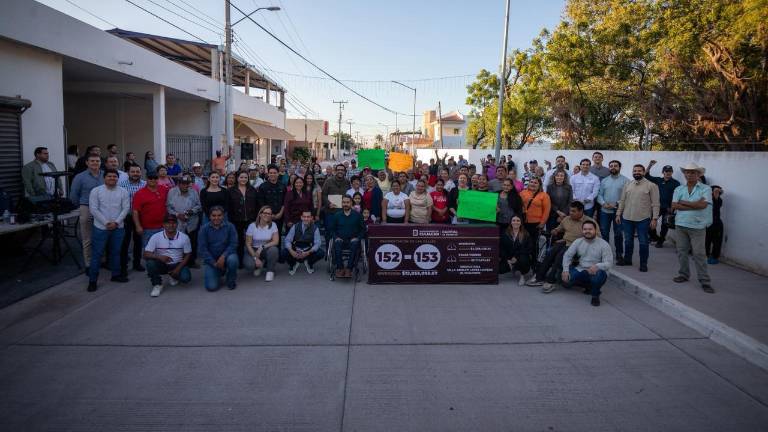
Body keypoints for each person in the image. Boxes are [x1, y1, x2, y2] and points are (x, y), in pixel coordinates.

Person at [528, 201, 598, 291]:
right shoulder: (567, 219)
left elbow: (597, 237)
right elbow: (560, 228)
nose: (570, 213)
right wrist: (556, 230)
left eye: (573, 211)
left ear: (581, 211)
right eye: (570, 211)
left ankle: (551, 281)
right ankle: (539, 277)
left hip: (579, 246)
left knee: (560, 256)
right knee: (550, 253)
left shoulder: (590, 222)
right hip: (565, 242)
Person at [672, 163, 714, 293]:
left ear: (698, 174)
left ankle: (705, 281)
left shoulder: (705, 189)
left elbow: (703, 205)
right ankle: (684, 274)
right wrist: (693, 205)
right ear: (684, 174)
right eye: (687, 172)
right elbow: (674, 205)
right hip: (681, 224)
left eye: (692, 172)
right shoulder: (679, 189)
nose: (689, 174)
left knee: (699, 254)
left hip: (698, 225)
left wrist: (683, 202)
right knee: (681, 251)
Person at [86, 169, 130, 292]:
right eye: (109, 176)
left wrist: (116, 222)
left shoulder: (123, 191)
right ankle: (93, 281)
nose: (112, 178)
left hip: (118, 227)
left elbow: (126, 208)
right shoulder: (96, 191)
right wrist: (106, 222)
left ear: (118, 178)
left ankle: (115, 275)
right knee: (97, 254)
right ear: (104, 178)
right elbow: (93, 209)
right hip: (100, 227)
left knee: (116, 252)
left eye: (114, 176)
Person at [616, 164, 660, 272]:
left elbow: (655, 204)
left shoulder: (651, 185)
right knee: (628, 241)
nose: (637, 172)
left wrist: (654, 219)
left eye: (639, 171)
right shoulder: (628, 184)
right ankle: (627, 260)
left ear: (644, 172)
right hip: (627, 218)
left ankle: (643, 264)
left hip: (643, 219)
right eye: (635, 170)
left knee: (643, 242)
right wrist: (618, 214)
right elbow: (622, 201)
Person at [561, 220, 614, 307]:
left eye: (590, 229)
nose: (587, 231)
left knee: (598, 276)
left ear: (595, 230)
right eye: (585, 229)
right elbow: (567, 256)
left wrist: (597, 266)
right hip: (581, 269)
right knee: (566, 282)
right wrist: (565, 270)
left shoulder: (604, 244)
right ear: (582, 231)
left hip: (596, 271)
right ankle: (589, 286)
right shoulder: (578, 241)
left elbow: (609, 263)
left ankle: (595, 295)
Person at [144, 214, 192, 297]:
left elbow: (188, 254)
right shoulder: (156, 237)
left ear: (177, 224)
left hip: (177, 264)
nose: (171, 225)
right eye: (168, 223)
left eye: (173, 223)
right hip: (162, 264)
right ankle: (157, 284)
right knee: (150, 263)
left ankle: (173, 275)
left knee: (186, 278)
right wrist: (159, 257)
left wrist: (178, 269)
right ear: (163, 224)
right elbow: (145, 254)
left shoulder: (184, 237)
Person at [70, 153, 104, 270]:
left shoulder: (105, 175)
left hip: (103, 209)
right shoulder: (80, 177)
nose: (95, 163)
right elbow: (74, 195)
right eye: (92, 161)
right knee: (87, 238)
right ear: (87, 163)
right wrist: (80, 207)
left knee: (101, 236)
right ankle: (89, 264)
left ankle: (102, 260)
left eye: (97, 161)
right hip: (86, 208)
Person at [197, 206, 239, 291]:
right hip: (211, 259)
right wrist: (214, 263)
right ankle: (219, 271)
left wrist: (223, 256)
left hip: (226, 256)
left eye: (219, 215)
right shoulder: (204, 229)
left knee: (233, 259)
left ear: (223, 216)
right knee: (211, 287)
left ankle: (230, 279)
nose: (216, 218)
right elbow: (202, 249)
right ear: (209, 216)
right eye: (214, 215)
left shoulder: (230, 227)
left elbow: (233, 244)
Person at [597, 160, 629, 264]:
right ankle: (605, 254)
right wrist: (603, 203)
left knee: (618, 234)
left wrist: (616, 203)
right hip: (604, 211)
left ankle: (619, 254)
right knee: (604, 233)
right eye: (611, 166)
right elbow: (599, 194)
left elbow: (627, 196)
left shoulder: (626, 181)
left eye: (615, 166)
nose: (613, 167)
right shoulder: (604, 181)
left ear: (620, 167)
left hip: (618, 212)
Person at [167, 175, 202, 267]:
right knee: (178, 242)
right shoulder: (172, 192)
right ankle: (179, 262)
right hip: (177, 222)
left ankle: (191, 261)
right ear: (178, 184)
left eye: (187, 184)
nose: (185, 186)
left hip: (192, 222)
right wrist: (178, 214)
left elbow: (199, 206)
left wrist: (191, 211)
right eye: (183, 184)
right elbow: (168, 207)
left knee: (192, 242)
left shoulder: (194, 192)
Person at [645, 160, 681, 248]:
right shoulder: (658, 180)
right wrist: (650, 165)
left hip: (668, 208)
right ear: (663, 172)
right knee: (650, 224)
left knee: (665, 226)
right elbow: (646, 175)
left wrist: (673, 207)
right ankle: (655, 237)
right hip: (657, 206)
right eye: (666, 171)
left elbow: (678, 196)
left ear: (672, 172)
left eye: (670, 171)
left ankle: (660, 241)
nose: (668, 173)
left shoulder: (676, 183)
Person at [328, 195, 365, 278]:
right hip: (340, 239)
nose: (345, 204)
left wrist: (358, 238)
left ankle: (349, 269)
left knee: (355, 244)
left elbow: (363, 230)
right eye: (344, 202)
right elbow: (332, 230)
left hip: (353, 240)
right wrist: (336, 237)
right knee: (336, 243)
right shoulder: (337, 215)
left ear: (351, 203)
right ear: (341, 203)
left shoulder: (357, 215)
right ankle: (340, 268)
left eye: (347, 202)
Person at [118, 165, 146, 275]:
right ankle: (123, 266)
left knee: (138, 241)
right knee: (125, 242)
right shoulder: (121, 185)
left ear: (140, 173)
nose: (135, 174)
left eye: (137, 172)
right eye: (133, 171)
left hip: (140, 217)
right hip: (126, 217)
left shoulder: (145, 185)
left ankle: (137, 263)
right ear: (128, 173)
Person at [229, 171, 259, 267]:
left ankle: (255, 259)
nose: (243, 179)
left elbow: (257, 205)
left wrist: (256, 218)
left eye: (245, 177)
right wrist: (231, 219)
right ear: (237, 178)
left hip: (251, 219)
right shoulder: (231, 191)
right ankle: (240, 261)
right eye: (241, 177)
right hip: (236, 220)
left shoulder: (252, 190)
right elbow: (228, 206)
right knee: (239, 241)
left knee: (253, 241)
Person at [132, 171, 168, 249]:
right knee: (149, 251)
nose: (153, 180)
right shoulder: (139, 193)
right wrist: (138, 226)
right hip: (147, 229)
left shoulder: (164, 189)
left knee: (163, 250)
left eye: (155, 178)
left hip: (164, 227)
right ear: (146, 179)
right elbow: (135, 211)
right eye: (150, 178)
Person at [283, 210, 325, 275]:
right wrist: (292, 251)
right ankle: (293, 264)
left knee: (321, 253)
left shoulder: (315, 228)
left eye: (308, 217)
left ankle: (309, 263)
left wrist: (308, 252)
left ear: (311, 218)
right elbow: (287, 240)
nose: (306, 219)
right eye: (304, 217)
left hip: (308, 248)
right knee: (284, 252)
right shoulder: (295, 226)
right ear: (301, 217)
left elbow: (318, 243)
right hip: (296, 248)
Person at [245, 205, 280, 281]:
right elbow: (248, 244)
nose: (267, 215)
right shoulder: (252, 226)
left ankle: (270, 271)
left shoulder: (273, 225)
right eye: (265, 213)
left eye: (269, 214)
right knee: (249, 265)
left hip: (265, 248)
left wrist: (262, 247)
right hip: (253, 249)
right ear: (260, 214)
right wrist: (255, 258)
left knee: (274, 250)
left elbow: (276, 241)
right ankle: (258, 266)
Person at [499, 215, 533, 285]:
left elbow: (528, 249)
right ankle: (514, 268)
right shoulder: (505, 233)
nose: (516, 222)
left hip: (521, 257)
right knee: (500, 269)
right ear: (511, 222)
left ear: (521, 223)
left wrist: (516, 257)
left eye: (518, 221)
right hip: (509, 258)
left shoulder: (526, 234)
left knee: (523, 260)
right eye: (513, 220)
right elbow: (501, 248)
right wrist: (507, 259)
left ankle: (522, 276)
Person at [321, 164, 351, 233]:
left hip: (343, 212)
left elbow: (349, 195)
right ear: (335, 171)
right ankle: (329, 243)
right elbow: (323, 194)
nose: (340, 171)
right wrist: (328, 204)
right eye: (338, 170)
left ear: (345, 172)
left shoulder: (347, 182)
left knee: (342, 232)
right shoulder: (328, 181)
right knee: (329, 232)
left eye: (342, 170)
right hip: (330, 212)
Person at [258, 165, 287, 235]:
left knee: (278, 234)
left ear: (278, 173)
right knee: (267, 235)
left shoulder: (282, 186)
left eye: (274, 173)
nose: (272, 174)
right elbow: (261, 203)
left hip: (280, 215)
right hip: (266, 216)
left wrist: (280, 213)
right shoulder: (263, 186)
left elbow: (285, 201)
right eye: (271, 173)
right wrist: (270, 215)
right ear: (268, 174)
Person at [706, 185, 724, 265]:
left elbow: (716, 200)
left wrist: (717, 192)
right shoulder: (706, 200)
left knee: (717, 242)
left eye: (718, 192)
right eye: (715, 191)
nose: (717, 193)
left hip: (717, 225)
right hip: (707, 224)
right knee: (706, 241)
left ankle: (714, 257)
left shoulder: (719, 200)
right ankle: (705, 256)